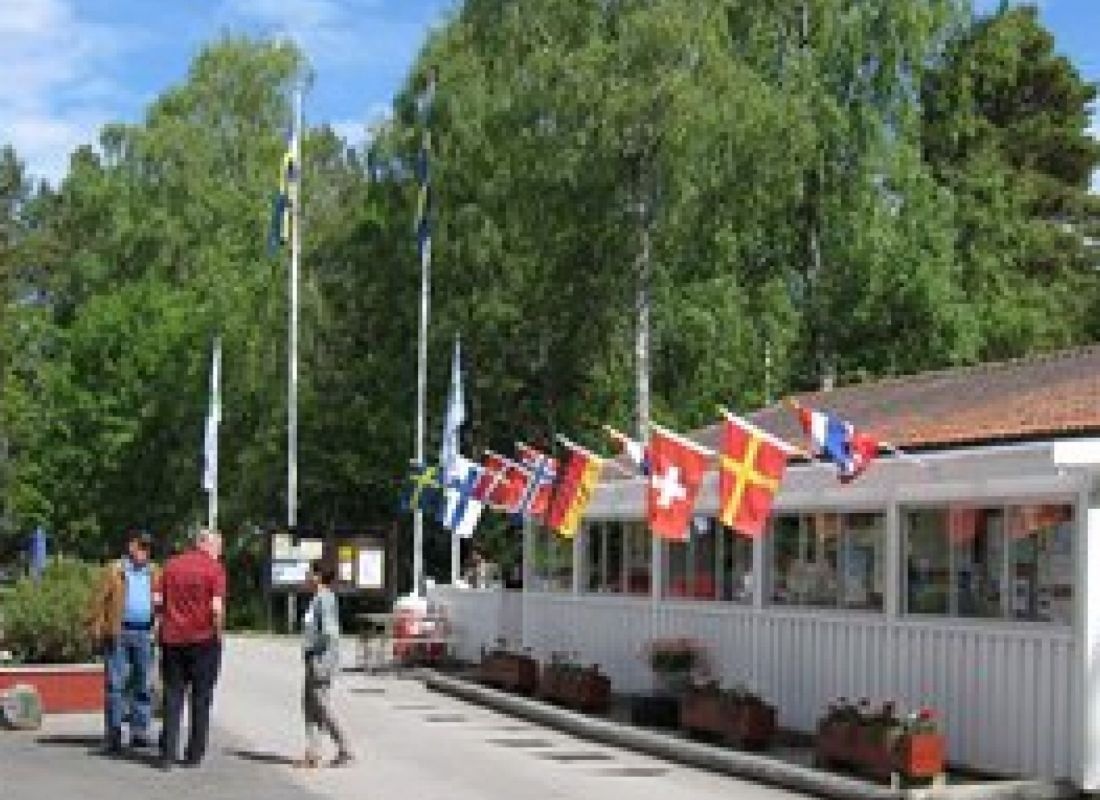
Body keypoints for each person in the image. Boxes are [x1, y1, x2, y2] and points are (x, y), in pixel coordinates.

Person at [157, 528, 226, 771]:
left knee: (173, 695)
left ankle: (167, 754)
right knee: (201, 698)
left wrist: (164, 627)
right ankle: (194, 753)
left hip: (172, 640)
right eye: (218, 547)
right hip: (203, 641)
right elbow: (216, 609)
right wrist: (218, 636)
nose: (220, 552)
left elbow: (158, 602)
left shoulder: (170, 566)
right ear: (205, 544)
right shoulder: (214, 570)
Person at [88, 531, 160, 754]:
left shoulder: (155, 572)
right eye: (141, 547)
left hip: (144, 634)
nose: (145, 552)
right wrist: (95, 629)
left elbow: (161, 601)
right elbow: (97, 601)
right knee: (115, 685)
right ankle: (114, 734)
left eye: (148, 549)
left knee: (143, 684)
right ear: (131, 547)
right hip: (118, 633)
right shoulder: (114, 570)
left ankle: (139, 731)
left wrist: (158, 626)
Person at [296, 561, 354, 769]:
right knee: (310, 705)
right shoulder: (317, 599)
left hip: (321, 660)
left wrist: (312, 648)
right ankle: (313, 752)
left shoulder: (324, 599)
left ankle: (345, 748)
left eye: (310, 572)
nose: (306, 576)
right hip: (315, 659)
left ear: (318, 576)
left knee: (321, 705)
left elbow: (329, 633)